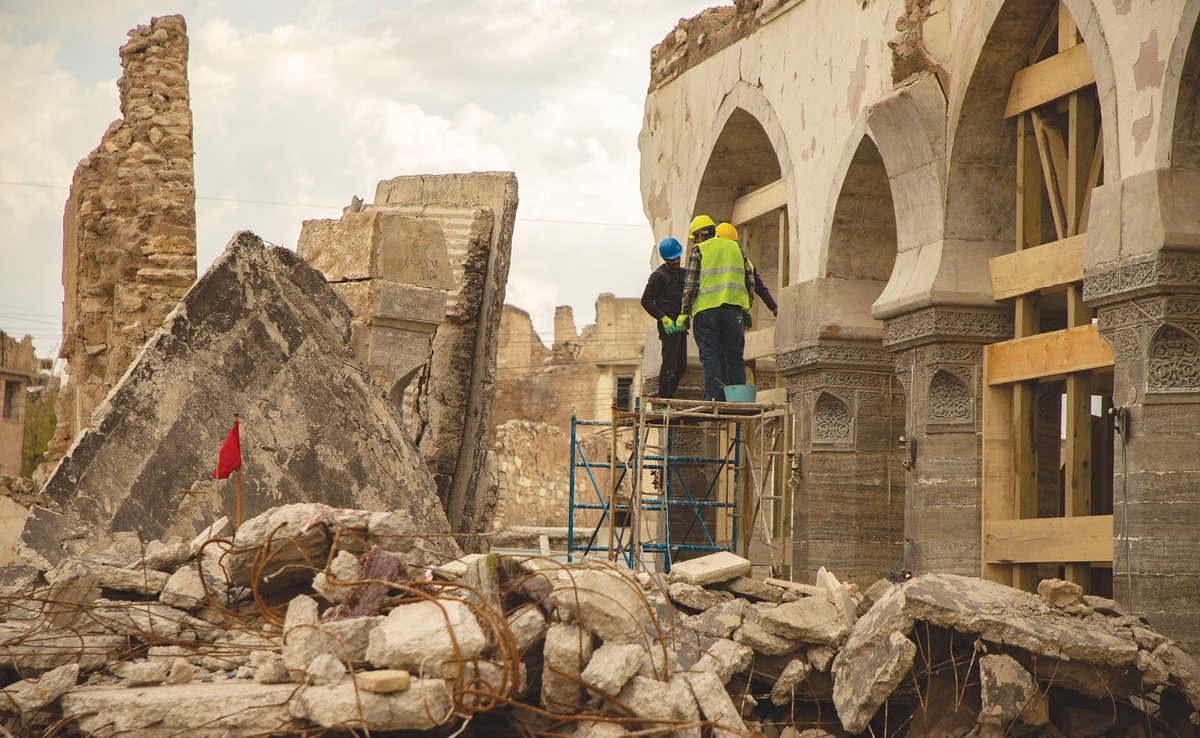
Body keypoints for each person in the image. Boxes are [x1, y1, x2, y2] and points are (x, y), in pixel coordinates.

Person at [676, 215, 755, 401]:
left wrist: (685, 312)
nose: (695, 242)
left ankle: (715, 398)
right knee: (735, 355)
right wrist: (746, 309)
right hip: (733, 310)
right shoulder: (735, 247)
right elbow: (749, 279)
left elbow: (691, 284)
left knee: (710, 355)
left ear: (699, 236)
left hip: (706, 311)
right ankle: (738, 399)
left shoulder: (699, 250)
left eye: (695, 238)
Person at [640, 237, 689, 398]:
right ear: (665, 258)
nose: (676, 261)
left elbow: (690, 296)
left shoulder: (684, 274)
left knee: (681, 367)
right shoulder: (658, 276)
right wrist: (664, 318)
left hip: (681, 325)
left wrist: (685, 315)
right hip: (669, 327)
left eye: (677, 257)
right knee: (669, 366)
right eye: (672, 258)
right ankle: (663, 400)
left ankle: (669, 396)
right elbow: (646, 301)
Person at [716, 222, 778, 317]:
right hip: (738, 310)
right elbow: (760, 288)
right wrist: (774, 308)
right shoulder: (746, 262)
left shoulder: (711, 259)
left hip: (713, 310)